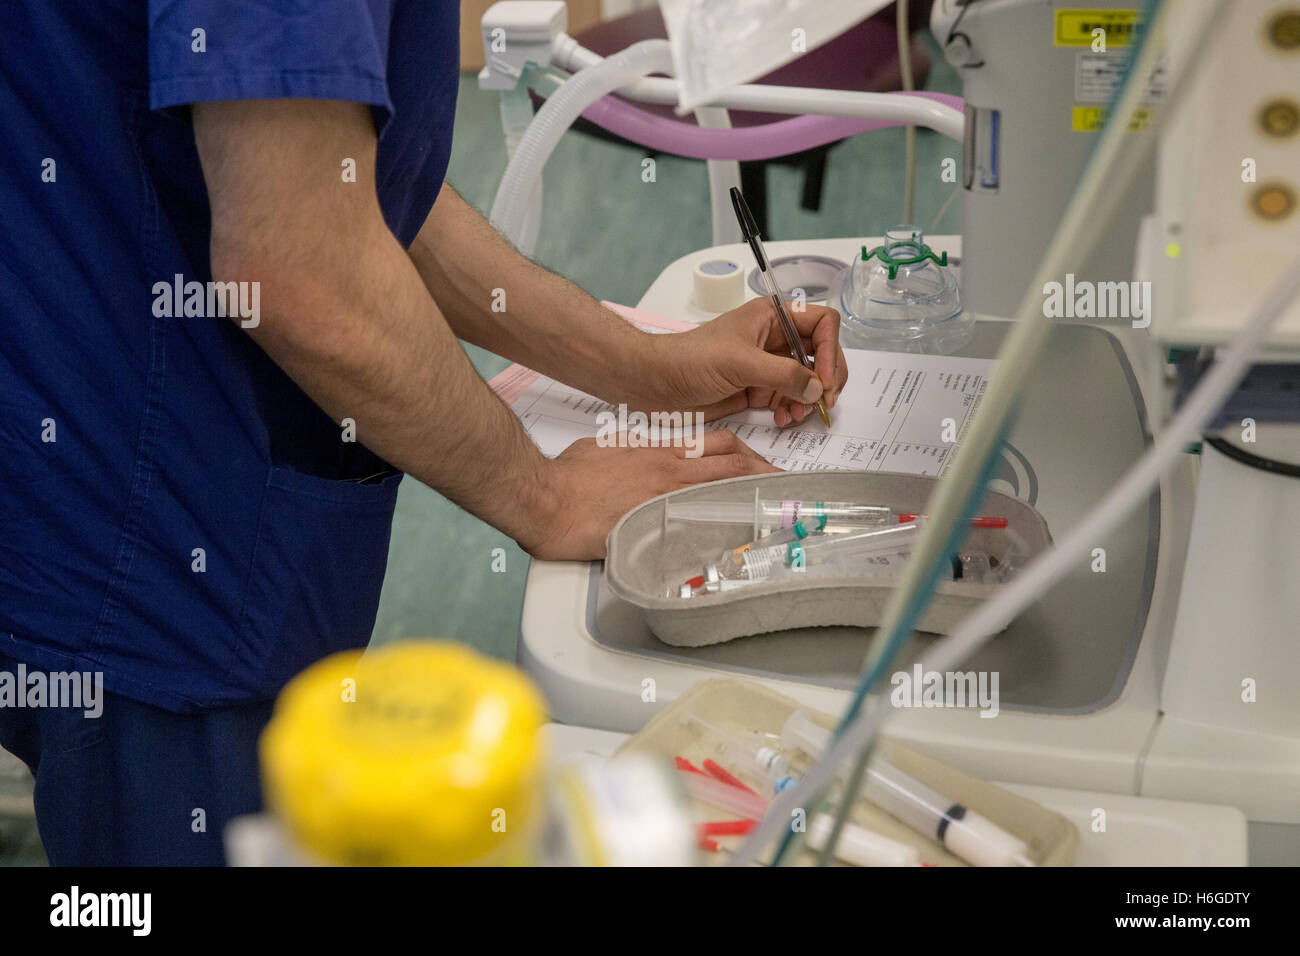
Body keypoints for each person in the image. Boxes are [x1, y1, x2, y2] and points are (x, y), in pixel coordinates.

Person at [0, 1, 847, 864]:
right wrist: (545, 491)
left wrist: (639, 363)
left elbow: (350, 178)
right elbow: (301, 265)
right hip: (148, 545)